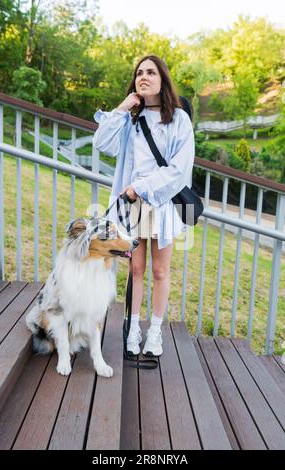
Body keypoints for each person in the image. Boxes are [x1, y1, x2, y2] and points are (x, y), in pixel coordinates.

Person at [93, 55, 195, 357]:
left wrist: (142, 187)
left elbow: (179, 169)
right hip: (133, 205)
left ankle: (155, 332)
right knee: (135, 269)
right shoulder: (130, 120)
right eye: (139, 73)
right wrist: (123, 107)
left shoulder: (179, 119)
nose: (144, 77)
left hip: (161, 203)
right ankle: (133, 326)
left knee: (160, 271)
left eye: (151, 72)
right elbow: (101, 143)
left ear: (162, 79)